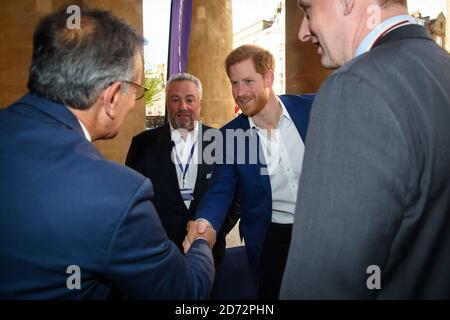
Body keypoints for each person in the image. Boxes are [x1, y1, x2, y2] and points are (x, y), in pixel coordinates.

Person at [0, 6, 215, 300]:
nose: (132, 104)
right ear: (113, 96)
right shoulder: (117, 194)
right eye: (136, 90)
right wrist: (202, 242)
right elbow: (185, 292)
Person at [280, 0, 450, 299]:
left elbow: (323, 284)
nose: (302, 32)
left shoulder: (355, 88)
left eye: (307, 11)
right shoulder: (440, 67)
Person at [184, 44, 314, 299]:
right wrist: (204, 223)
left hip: (323, 228)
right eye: (234, 83)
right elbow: (220, 191)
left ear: (269, 78)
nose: (240, 92)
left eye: (247, 81)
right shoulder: (231, 136)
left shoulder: (313, 109)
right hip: (273, 237)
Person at [126, 72, 239, 267]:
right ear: (167, 103)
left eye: (189, 100)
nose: (182, 107)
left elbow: (236, 196)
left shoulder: (221, 141)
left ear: (200, 103)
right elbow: (131, 196)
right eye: (175, 100)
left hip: (207, 252)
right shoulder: (142, 144)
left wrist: (214, 229)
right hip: (159, 253)